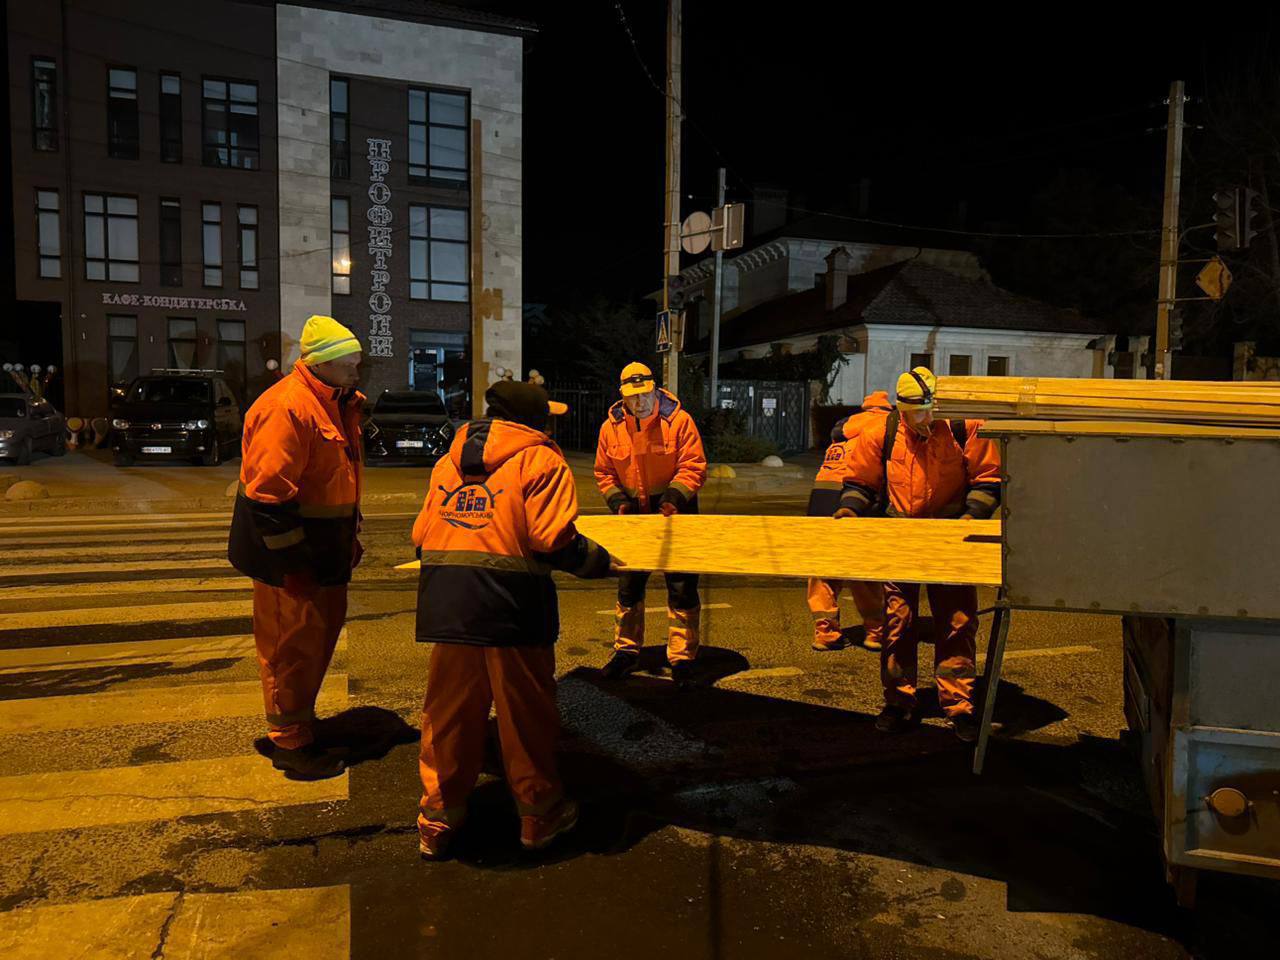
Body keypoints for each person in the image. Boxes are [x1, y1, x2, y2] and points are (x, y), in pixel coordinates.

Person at [413, 380, 617, 858]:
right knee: (524, 713)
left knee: (448, 714)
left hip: (448, 602)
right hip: (511, 605)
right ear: (533, 420)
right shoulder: (541, 460)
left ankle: (437, 822)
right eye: (548, 415)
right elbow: (553, 539)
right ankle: (539, 816)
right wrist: (599, 562)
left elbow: (421, 535)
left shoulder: (449, 461)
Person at [228, 315, 365, 780]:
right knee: (290, 649)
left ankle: (298, 724)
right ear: (323, 363)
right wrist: (292, 566)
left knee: (314, 644)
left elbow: (336, 482)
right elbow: (269, 499)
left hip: (322, 552)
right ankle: (289, 743)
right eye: (350, 363)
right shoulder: (288, 408)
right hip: (292, 558)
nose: (356, 371)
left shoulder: (335, 403)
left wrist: (351, 536)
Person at [836, 367, 1001, 741]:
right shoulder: (881, 432)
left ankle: (959, 705)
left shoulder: (963, 426)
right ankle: (898, 701)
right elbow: (860, 482)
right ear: (900, 409)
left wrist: (969, 518)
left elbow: (988, 479)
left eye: (929, 411)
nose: (924, 420)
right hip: (901, 538)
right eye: (915, 413)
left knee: (957, 622)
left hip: (950, 537)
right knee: (898, 623)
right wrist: (849, 509)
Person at [594, 362, 707, 686]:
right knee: (629, 587)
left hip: (676, 509)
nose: (640, 401)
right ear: (623, 397)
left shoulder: (679, 421)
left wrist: (674, 497)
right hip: (634, 514)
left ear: (655, 390)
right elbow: (604, 472)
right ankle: (626, 652)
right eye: (633, 396)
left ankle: (682, 657)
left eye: (645, 394)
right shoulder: (610, 428)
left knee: (682, 586)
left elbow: (694, 465)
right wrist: (618, 502)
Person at [805, 391, 892, 652]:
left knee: (823, 569)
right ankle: (875, 631)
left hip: (821, 498)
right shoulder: (887, 427)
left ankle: (826, 632)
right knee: (864, 567)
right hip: (854, 496)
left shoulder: (845, 427)